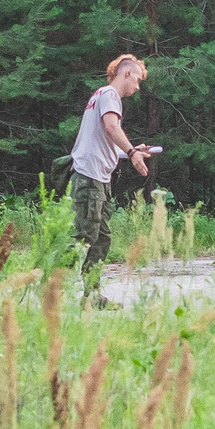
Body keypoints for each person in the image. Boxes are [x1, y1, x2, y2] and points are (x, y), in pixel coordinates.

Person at [67, 54, 153, 284]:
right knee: (83, 238)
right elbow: (111, 128)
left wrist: (131, 150)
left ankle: (92, 295)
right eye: (137, 80)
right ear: (126, 73)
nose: (138, 86)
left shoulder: (101, 96)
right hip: (90, 179)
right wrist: (132, 153)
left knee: (101, 239)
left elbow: (104, 140)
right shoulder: (110, 95)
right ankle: (48, 283)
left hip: (96, 179)